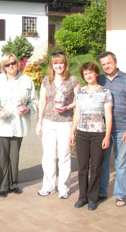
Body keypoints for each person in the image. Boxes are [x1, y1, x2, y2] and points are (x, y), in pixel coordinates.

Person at [0, 53, 37, 198]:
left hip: (19, 124)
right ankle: (1, 186)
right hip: (2, 125)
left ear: (18, 63)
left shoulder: (27, 80)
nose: (11, 66)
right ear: (3, 66)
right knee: (3, 157)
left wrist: (28, 109)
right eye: (7, 64)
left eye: (13, 63)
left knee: (14, 156)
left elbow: (34, 101)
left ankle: (13, 184)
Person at [36, 51, 80, 199]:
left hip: (65, 122)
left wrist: (67, 107)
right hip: (48, 122)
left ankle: (63, 187)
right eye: (55, 63)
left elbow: (79, 101)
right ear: (51, 65)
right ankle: (48, 186)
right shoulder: (46, 81)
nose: (58, 66)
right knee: (48, 155)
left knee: (64, 155)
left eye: (61, 63)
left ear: (65, 64)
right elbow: (42, 102)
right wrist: (39, 122)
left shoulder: (73, 80)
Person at [69, 62, 113, 211]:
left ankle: (93, 198)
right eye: (85, 73)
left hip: (98, 134)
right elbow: (77, 113)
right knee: (82, 168)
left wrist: (107, 136)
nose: (88, 75)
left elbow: (108, 114)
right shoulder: (80, 92)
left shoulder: (105, 92)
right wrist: (72, 132)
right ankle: (82, 197)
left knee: (95, 167)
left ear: (96, 73)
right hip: (82, 133)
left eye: (90, 72)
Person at [98, 51, 126, 207]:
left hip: (122, 128)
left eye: (109, 63)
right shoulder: (100, 80)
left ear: (115, 61)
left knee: (120, 163)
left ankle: (120, 195)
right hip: (103, 130)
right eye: (103, 64)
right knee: (103, 162)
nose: (106, 66)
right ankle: (102, 191)